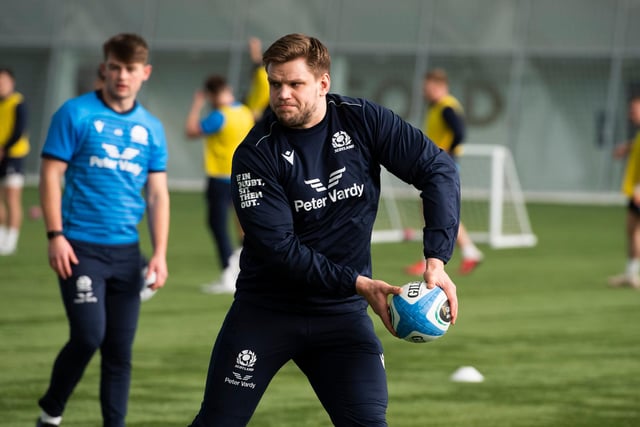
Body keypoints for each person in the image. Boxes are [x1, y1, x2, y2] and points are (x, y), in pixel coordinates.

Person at [188, 33, 460, 426]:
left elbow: (437, 169)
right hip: (266, 312)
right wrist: (361, 284)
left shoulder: (362, 119)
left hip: (341, 316)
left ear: (323, 83)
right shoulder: (255, 154)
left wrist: (436, 258)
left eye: (295, 84)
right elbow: (280, 249)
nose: (282, 94)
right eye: (275, 84)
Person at [36, 33, 170, 427]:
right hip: (79, 249)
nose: (122, 76)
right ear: (104, 68)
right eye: (115, 67)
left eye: (130, 69)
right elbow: (49, 176)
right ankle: (52, 408)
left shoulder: (152, 128)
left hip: (128, 254)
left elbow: (158, 195)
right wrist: (55, 235)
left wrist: (159, 253)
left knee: (119, 351)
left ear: (144, 72)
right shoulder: (74, 114)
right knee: (89, 336)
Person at [405, 68, 484, 276]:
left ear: (440, 87)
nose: (425, 92)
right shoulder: (437, 106)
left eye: (428, 88)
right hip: (437, 164)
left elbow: (459, 132)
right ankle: (469, 251)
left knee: (435, 210)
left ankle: (430, 260)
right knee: (437, 210)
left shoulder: (446, 107)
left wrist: (446, 153)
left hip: (442, 164)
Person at [185, 74, 255, 294]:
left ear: (211, 95)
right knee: (244, 228)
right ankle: (244, 271)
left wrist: (197, 104)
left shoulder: (219, 116)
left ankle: (228, 273)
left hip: (221, 177)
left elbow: (191, 130)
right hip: (246, 175)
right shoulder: (244, 112)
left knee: (217, 225)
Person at [608, 96, 640, 289]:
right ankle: (630, 273)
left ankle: (634, 275)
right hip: (635, 189)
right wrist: (626, 148)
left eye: (635, 109)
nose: (631, 113)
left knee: (637, 232)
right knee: (631, 230)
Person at [0, 67, 30, 255]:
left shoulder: (19, 103)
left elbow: (19, 131)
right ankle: (1, 237)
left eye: (3, 82)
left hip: (14, 157)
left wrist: (4, 148)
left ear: (12, 83)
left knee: (12, 198)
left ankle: (11, 241)